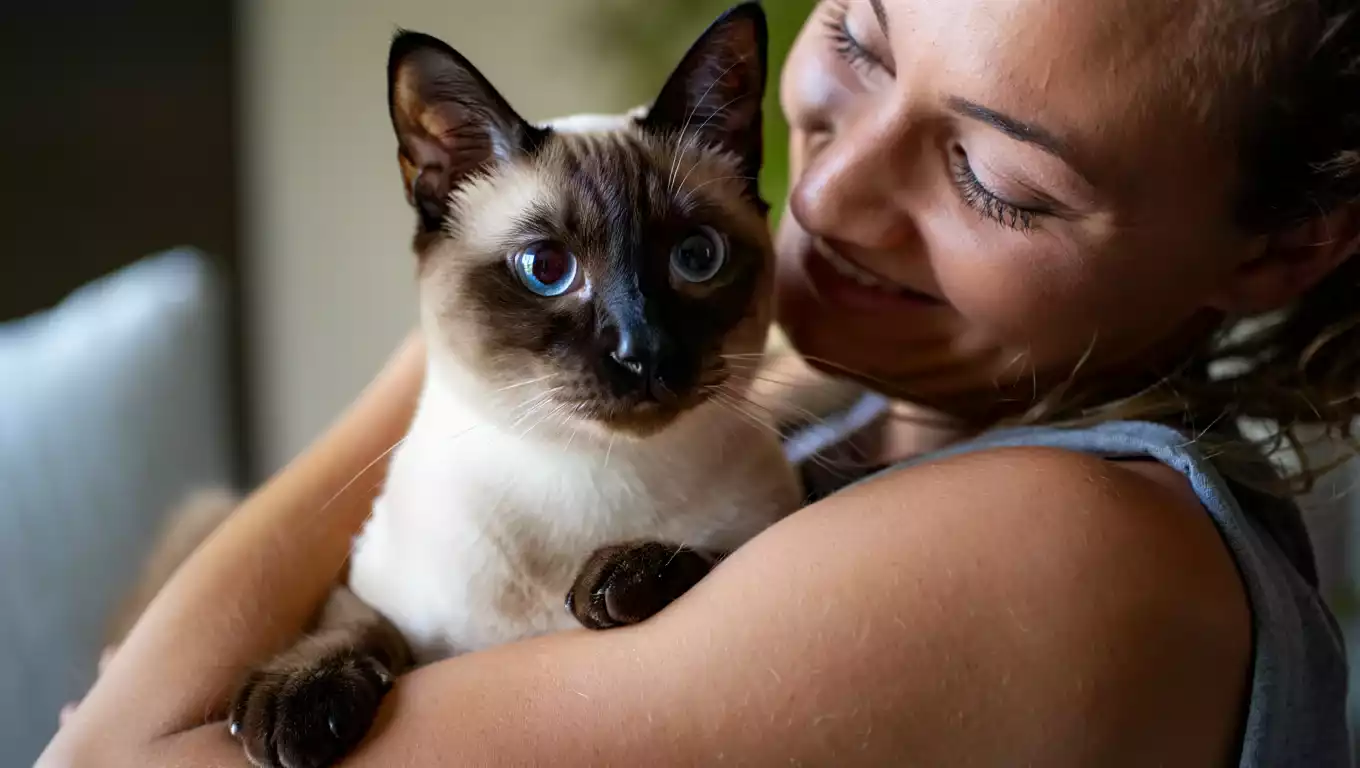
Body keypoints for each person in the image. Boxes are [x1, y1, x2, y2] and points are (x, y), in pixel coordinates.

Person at [42, 0, 1359, 764]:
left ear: (1282, 246)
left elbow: (111, 756)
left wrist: (475, 276)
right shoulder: (818, 418)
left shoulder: (1073, 554)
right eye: (858, 39)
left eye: (995, 181)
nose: (827, 192)